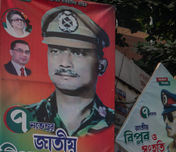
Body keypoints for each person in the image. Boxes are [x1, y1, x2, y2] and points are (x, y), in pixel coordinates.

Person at [23, 6, 114, 136]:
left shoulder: (111, 122)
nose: (65, 63)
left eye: (79, 53)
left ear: (101, 65)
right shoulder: (24, 117)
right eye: (55, 51)